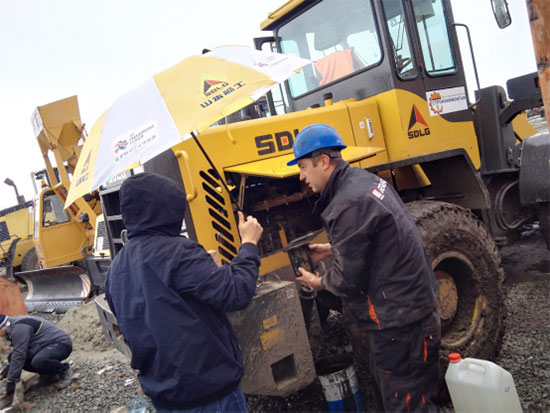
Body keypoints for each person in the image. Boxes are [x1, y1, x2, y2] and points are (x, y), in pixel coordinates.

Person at [288, 124, 441, 412]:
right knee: (413, 395)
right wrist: (332, 248)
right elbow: (379, 236)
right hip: (413, 310)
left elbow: (347, 279)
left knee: (406, 404)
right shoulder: (363, 181)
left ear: (323, 161)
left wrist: (318, 282)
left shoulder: (347, 204)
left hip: (399, 323)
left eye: (303, 167)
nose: (301, 176)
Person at [104, 172, 263, 412]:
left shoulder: (115, 269)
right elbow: (236, 293)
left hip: (165, 398)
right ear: (169, 209)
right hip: (210, 395)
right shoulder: (178, 252)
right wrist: (249, 244)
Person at [0, 314, 73, 397]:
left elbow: (19, 354)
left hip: (61, 344)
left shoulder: (18, 328)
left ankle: (64, 370)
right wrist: (7, 372)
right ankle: (49, 375)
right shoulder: (12, 325)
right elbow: (19, 353)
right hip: (43, 345)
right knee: (12, 357)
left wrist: (11, 381)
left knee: (38, 360)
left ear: (3, 326)